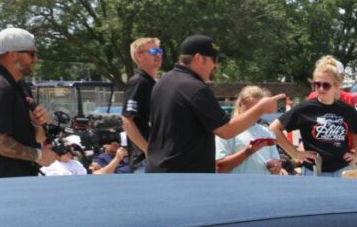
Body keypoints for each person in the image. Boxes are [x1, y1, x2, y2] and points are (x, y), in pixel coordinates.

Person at [147, 35, 284, 173]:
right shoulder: (194, 88)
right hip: (184, 176)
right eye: (214, 60)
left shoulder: (162, 83)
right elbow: (226, 130)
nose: (216, 65)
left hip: (159, 169)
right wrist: (260, 108)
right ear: (199, 58)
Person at [0, 27, 56, 178]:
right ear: (13, 55)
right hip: (2, 184)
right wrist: (38, 155)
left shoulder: (21, 86)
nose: (35, 59)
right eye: (31, 54)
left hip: (21, 179)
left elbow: (38, 138)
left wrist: (38, 124)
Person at [271, 56, 357, 177]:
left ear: (336, 85)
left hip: (342, 171)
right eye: (317, 84)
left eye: (326, 85)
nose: (321, 89)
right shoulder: (305, 108)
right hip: (313, 172)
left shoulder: (346, 109)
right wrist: (295, 153)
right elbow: (274, 128)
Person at [215, 86, 283, 175]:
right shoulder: (227, 130)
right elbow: (220, 168)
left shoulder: (266, 132)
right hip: (236, 187)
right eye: (250, 109)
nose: (253, 113)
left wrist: (275, 167)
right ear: (240, 105)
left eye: (258, 109)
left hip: (263, 187)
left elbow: (276, 171)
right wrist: (247, 152)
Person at [122, 37, 163, 173]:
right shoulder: (139, 82)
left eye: (159, 51)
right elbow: (127, 120)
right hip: (144, 162)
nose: (158, 54)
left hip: (159, 158)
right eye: (152, 51)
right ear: (139, 56)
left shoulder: (155, 84)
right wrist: (147, 149)